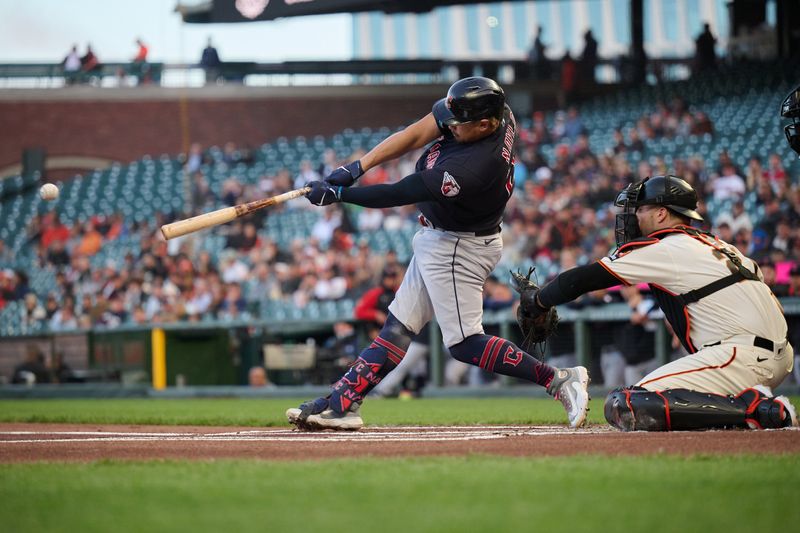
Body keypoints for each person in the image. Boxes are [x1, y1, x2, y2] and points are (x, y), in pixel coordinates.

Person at [286, 77, 590, 431]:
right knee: (398, 327)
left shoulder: (473, 167)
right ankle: (341, 403)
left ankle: (558, 379)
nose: (450, 126)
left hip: (457, 246)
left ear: (484, 125)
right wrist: (357, 167)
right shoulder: (494, 112)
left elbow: (399, 192)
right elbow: (418, 132)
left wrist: (340, 196)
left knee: (464, 344)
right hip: (443, 236)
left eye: (458, 124)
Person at [519, 174, 795, 431]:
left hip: (740, 357)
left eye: (641, 209)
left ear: (662, 213)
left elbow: (583, 279)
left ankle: (759, 411)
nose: (634, 216)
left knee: (627, 404)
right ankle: (752, 402)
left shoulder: (667, 246)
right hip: (777, 355)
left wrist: (539, 300)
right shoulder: (722, 246)